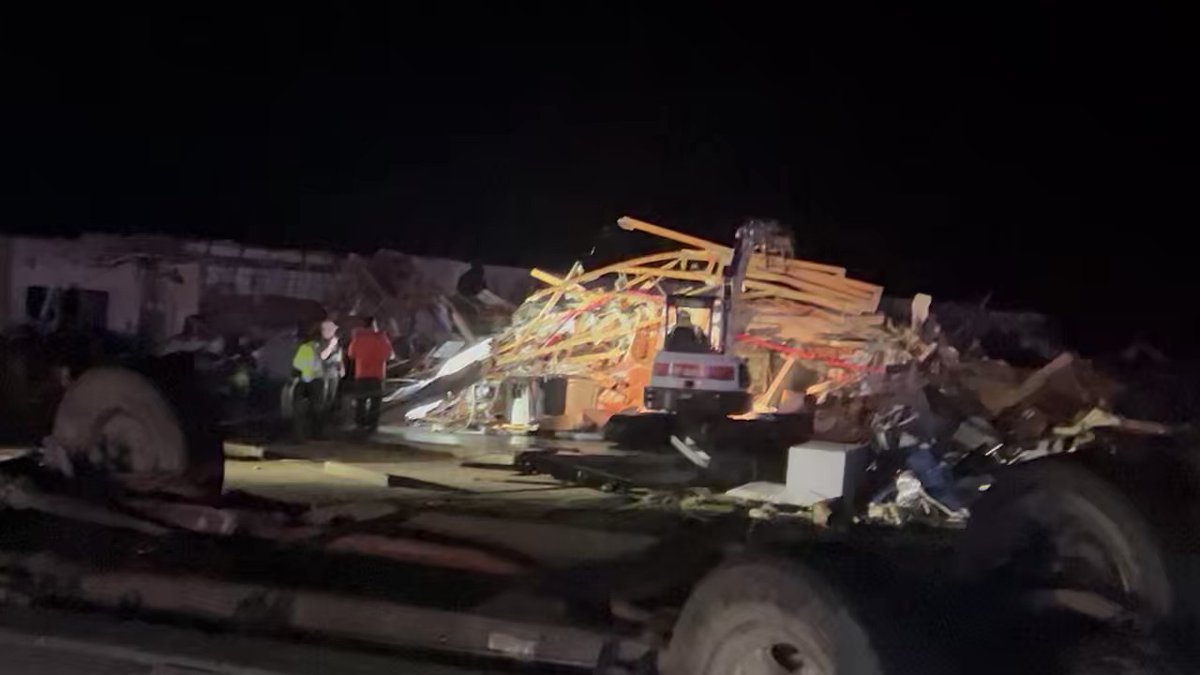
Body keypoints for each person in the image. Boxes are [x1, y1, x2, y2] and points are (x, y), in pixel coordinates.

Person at [347, 316, 394, 433]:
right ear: (374, 325)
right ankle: (372, 425)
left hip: (361, 374)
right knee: (375, 401)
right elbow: (390, 355)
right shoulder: (382, 338)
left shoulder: (357, 338)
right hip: (377, 374)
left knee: (361, 401)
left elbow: (351, 355)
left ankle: (360, 424)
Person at [290, 327, 325, 441]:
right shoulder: (319, 348)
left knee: (299, 410)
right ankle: (316, 434)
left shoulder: (304, 348)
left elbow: (297, 367)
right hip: (317, 381)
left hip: (305, 381)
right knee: (317, 409)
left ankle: (299, 436)